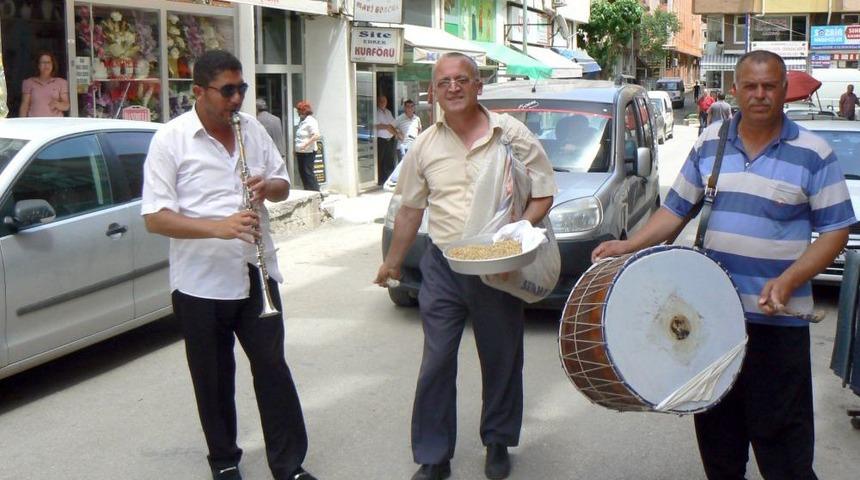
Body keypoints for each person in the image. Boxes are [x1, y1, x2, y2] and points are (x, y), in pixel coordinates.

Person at [592, 50, 855, 480]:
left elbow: (835, 232)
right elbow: (675, 211)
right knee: (719, 446)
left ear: (784, 90)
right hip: (711, 325)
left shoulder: (814, 153)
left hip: (777, 327)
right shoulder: (710, 143)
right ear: (734, 89)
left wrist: (790, 280)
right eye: (750, 86)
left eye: (769, 86)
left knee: (784, 452)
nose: (760, 95)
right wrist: (629, 245)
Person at [374, 52, 556, 480]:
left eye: (462, 80)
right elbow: (409, 210)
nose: (452, 88)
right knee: (436, 361)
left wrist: (519, 229)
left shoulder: (510, 134)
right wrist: (392, 263)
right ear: (433, 93)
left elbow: (544, 191)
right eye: (443, 83)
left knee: (501, 356)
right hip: (443, 265)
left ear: (478, 87)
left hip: (498, 264)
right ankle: (434, 456)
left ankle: (497, 441)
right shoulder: (425, 145)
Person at [141, 50, 317, 480]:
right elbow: (155, 217)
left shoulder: (251, 129)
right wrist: (217, 228)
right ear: (198, 92)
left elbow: (281, 184)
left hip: (256, 273)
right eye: (227, 90)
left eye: (241, 89)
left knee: (273, 370)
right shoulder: (171, 140)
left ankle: (289, 465)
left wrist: (268, 185)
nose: (237, 99)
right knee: (213, 377)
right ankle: (224, 462)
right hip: (200, 283)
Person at [19, 52, 69, 117]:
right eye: (43, 62)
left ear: (52, 64)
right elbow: (24, 106)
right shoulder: (29, 82)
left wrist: (58, 104)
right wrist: (22, 124)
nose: (46, 65)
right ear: (38, 65)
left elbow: (66, 105)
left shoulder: (61, 82)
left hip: (55, 124)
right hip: (35, 123)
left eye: (48, 62)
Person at [294, 100, 321, 192]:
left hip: (308, 152)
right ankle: (307, 192)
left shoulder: (311, 121)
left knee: (308, 173)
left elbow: (316, 135)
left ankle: (316, 192)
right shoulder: (302, 121)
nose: (298, 113)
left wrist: (305, 145)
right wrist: (296, 149)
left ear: (304, 111)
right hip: (300, 152)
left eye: (299, 111)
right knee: (302, 173)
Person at [375, 94, 398, 185]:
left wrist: (396, 132)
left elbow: (393, 124)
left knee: (389, 160)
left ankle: (387, 180)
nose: (382, 103)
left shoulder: (388, 112)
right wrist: (387, 127)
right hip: (381, 140)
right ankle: (380, 180)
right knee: (380, 160)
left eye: (384, 101)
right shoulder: (376, 111)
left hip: (389, 140)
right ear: (377, 102)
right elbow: (377, 125)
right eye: (381, 101)